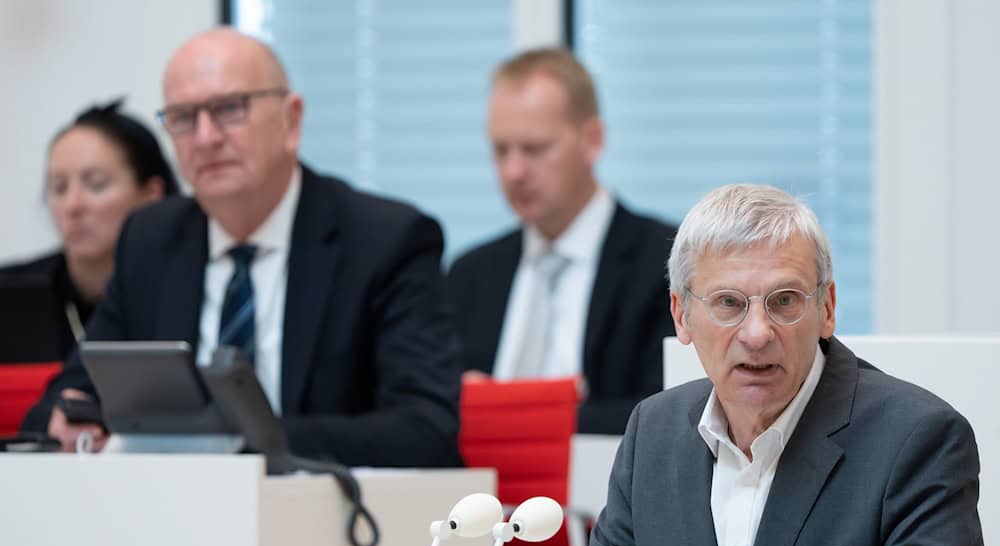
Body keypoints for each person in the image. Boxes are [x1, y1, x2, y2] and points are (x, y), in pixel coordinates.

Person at [22, 28, 464, 467]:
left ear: (291, 120)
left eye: (229, 110)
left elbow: (424, 429)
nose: (206, 137)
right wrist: (71, 422)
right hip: (174, 516)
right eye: (183, 118)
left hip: (326, 516)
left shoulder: (384, 240)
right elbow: (68, 395)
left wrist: (240, 440)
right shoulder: (151, 241)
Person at [583, 184, 983, 546]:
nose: (757, 334)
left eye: (785, 300)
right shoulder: (653, 431)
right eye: (728, 303)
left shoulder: (917, 440)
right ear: (681, 315)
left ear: (826, 308)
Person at [447, 48, 677, 434]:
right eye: (501, 150)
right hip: (482, 491)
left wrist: (514, 415)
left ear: (593, 140)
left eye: (534, 149)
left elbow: (671, 409)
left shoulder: (663, 262)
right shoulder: (470, 274)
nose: (513, 171)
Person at [0, 99, 179, 363]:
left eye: (96, 184)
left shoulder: (185, 288)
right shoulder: (11, 295)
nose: (73, 205)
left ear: (151, 195)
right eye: (59, 188)